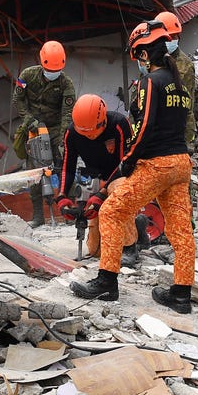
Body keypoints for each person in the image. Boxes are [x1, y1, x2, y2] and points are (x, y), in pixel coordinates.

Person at [72, 20, 196, 314]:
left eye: (137, 56)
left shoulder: (150, 82)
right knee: (180, 230)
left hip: (157, 164)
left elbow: (144, 127)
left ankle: (106, 282)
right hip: (180, 164)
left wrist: (127, 162)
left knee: (112, 212)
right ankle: (181, 295)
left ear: (143, 53)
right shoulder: (179, 85)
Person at [54, 94, 141, 266]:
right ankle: (139, 225)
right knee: (96, 251)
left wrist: (102, 193)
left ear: (102, 121)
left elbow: (126, 162)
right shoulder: (71, 133)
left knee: (118, 189)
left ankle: (130, 247)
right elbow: (67, 167)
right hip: (98, 179)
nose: (89, 136)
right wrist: (62, 196)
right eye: (84, 132)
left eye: (92, 132)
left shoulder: (118, 124)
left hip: (123, 176)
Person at [13, 40, 76, 227]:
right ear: (42, 63)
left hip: (56, 128)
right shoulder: (27, 75)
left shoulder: (66, 83)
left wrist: (63, 139)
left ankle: (69, 212)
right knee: (34, 173)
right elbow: (18, 99)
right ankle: (38, 216)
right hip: (33, 128)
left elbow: (67, 113)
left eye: (57, 70)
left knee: (64, 168)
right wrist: (28, 120)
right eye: (50, 70)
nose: (53, 73)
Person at [155, 11, 197, 149]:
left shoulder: (186, 65)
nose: (170, 40)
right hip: (154, 125)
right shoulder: (150, 61)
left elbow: (188, 101)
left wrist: (186, 132)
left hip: (176, 127)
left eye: (173, 36)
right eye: (166, 37)